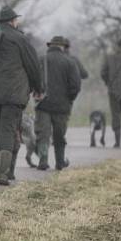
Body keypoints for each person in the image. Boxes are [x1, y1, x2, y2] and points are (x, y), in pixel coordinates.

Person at [0, 7, 43, 186]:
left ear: (0, 21)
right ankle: (4, 173)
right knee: (8, 129)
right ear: (13, 21)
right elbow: (33, 66)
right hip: (14, 94)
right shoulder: (20, 38)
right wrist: (39, 88)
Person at [35, 36, 81, 170]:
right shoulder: (70, 61)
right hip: (62, 105)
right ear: (63, 47)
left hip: (43, 103)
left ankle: (42, 161)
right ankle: (60, 162)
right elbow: (76, 85)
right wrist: (69, 99)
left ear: (50, 46)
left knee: (43, 134)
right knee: (59, 135)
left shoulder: (41, 59)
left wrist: (36, 93)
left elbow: (33, 78)